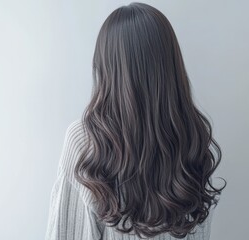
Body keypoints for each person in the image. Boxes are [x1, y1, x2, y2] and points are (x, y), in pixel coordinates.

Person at [45, 2, 226, 240]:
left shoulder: (86, 139)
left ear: (108, 68)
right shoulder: (192, 138)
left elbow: (66, 233)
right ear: (170, 66)